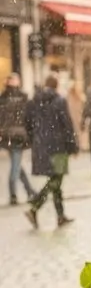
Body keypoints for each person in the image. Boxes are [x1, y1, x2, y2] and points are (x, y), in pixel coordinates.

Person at [23, 73, 78, 228]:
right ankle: (35, 207)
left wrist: (35, 139)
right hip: (58, 147)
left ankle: (60, 216)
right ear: (56, 85)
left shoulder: (34, 101)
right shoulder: (59, 101)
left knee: (55, 180)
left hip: (42, 147)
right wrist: (72, 146)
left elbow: (27, 122)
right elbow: (67, 124)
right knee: (56, 180)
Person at [0, 72, 34, 205]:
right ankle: (13, 194)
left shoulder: (3, 97)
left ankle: (29, 191)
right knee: (16, 165)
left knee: (17, 164)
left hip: (9, 136)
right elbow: (28, 118)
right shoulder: (21, 97)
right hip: (18, 136)